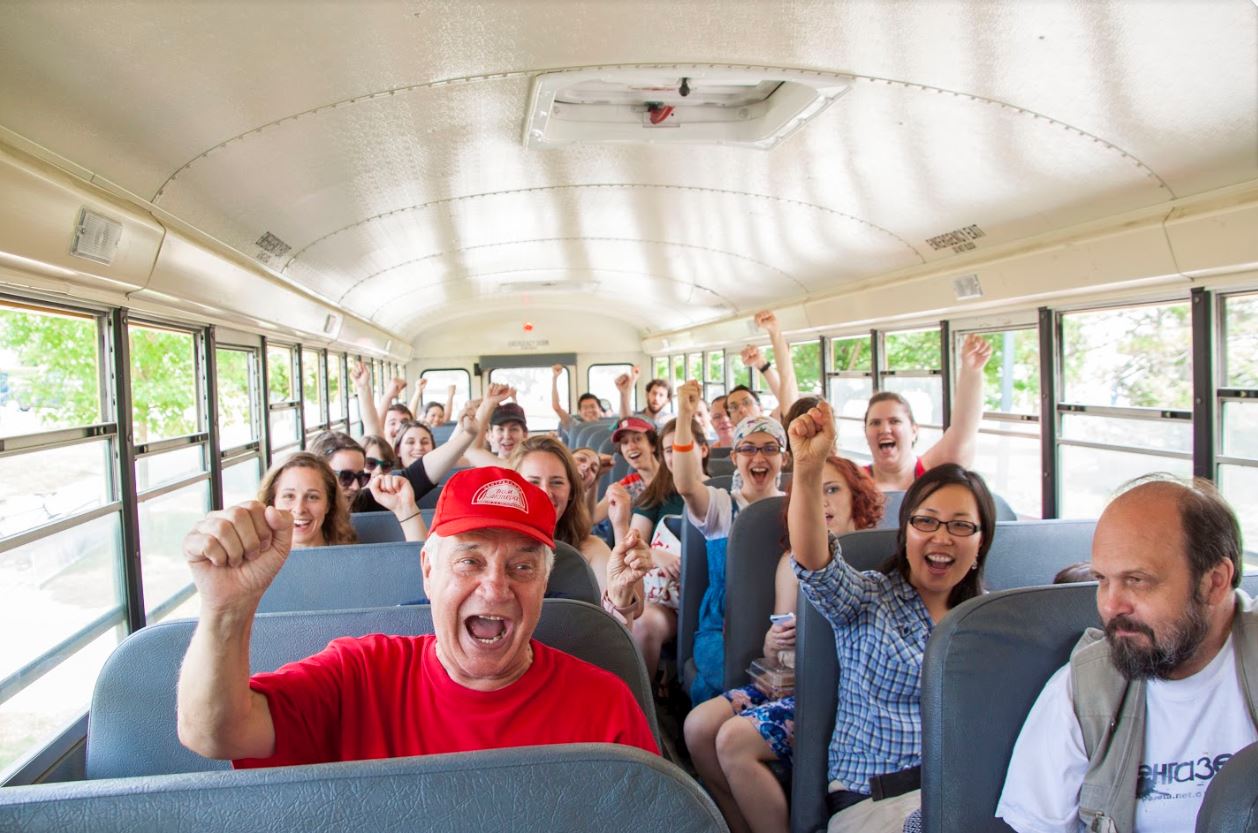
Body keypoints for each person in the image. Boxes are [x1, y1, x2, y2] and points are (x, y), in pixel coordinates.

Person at [176, 466, 659, 766]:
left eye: (522, 567)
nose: (495, 588)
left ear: (544, 583)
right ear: (428, 571)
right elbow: (215, 732)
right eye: (469, 561)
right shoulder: (358, 676)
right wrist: (225, 608)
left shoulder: (605, 708)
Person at [997, 476, 1256, 833]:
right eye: (1102, 580)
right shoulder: (1082, 692)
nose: (1110, 605)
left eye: (1137, 580)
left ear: (1214, 582)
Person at [789, 399, 997, 833]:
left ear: (980, 544)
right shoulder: (869, 598)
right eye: (927, 522)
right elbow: (813, 562)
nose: (942, 538)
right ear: (906, 535)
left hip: (965, 795)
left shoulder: (989, 621)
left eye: (961, 526)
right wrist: (808, 471)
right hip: (875, 798)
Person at [686, 453, 884, 833]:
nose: (821, 502)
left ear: (857, 499)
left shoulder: (878, 558)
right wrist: (773, 644)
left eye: (832, 490)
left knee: (732, 739)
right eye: (810, 493)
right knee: (698, 726)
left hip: (850, 696)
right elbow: (776, 650)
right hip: (793, 685)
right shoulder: (791, 563)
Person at [674, 380, 788, 705]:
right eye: (748, 449)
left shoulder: (796, 507)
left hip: (784, 624)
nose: (759, 457)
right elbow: (686, 484)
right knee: (733, 675)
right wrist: (684, 416)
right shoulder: (722, 506)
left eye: (769, 448)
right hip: (724, 626)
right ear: (735, 457)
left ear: (783, 458)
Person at [606, 417, 710, 681]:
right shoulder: (657, 495)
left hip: (716, 597)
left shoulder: (723, 493)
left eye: (684, 446)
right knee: (645, 624)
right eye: (669, 450)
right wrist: (655, 555)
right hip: (668, 600)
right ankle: (645, 697)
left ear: (703, 449)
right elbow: (632, 545)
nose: (678, 455)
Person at [862, 333, 992, 492]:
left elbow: (963, 431)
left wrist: (972, 371)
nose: (884, 429)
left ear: (914, 430)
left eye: (894, 421)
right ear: (866, 433)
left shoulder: (931, 471)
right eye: (875, 423)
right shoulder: (853, 481)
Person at [510, 436, 612, 592]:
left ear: (571, 491)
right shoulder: (490, 547)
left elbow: (616, 603)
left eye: (557, 482)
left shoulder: (591, 549)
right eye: (533, 482)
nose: (546, 493)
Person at [308, 431, 426, 541]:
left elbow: (419, 553)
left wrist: (406, 509)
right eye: (346, 477)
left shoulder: (365, 502)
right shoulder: (304, 520)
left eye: (361, 477)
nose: (356, 487)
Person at [256, 452, 358, 548]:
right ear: (272, 502)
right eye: (289, 496)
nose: (299, 509)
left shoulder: (352, 556)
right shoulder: (258, 558)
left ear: (328, 504)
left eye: (312, 497)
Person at [591, 416, 663, 526]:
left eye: (637, 439)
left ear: (652, 445)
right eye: (625, 442)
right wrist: (594, 478)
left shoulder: (676, 477)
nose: (631, 447)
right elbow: (590, 519)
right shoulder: (624, 488)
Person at [550, 363, 606, 435]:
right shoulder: (575, 426)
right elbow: (556, 407)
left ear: (600, 409)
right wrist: (555, 378)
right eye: (585, 408)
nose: (589, 410)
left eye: (592, 406)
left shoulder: (608, 426)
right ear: (579, 412)